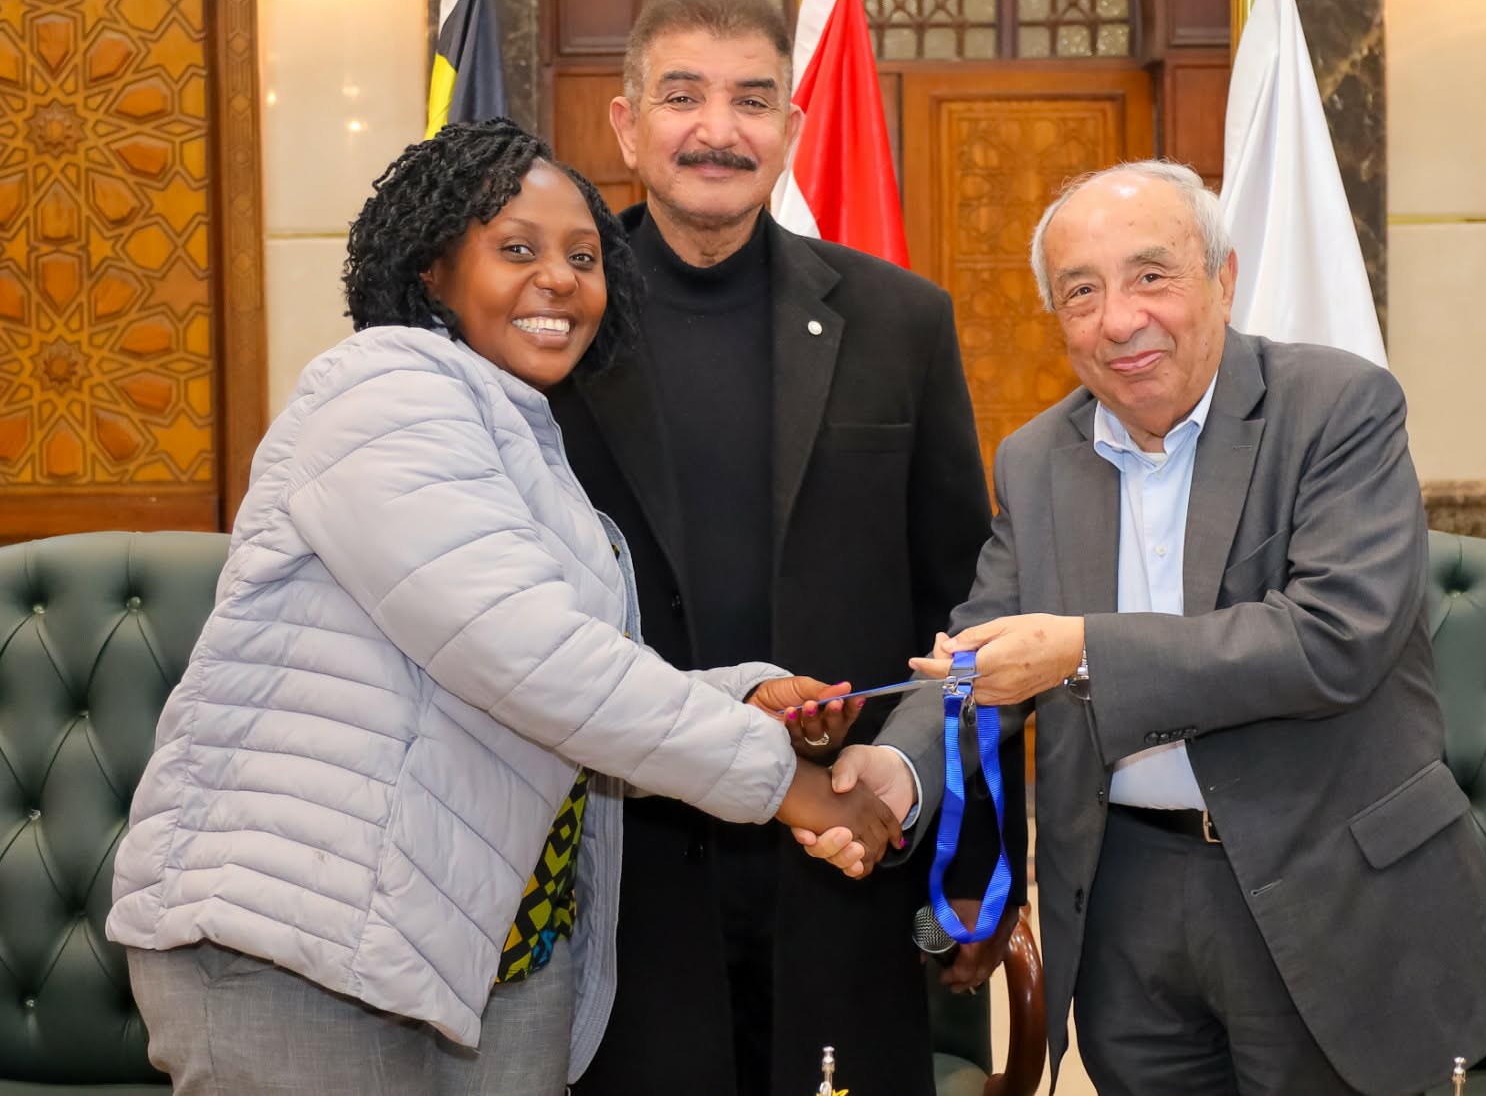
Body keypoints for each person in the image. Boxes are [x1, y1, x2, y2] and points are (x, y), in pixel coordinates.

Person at [103, 119, 904, 1096]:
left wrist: (746, 698)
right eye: (517, 249)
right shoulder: (384, 390)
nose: (560, 278)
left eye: (584, 256)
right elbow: (527, 656)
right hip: (303, 946)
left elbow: (559, 685)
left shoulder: (524, 439)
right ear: (431, 269)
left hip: (498, 954)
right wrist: (789, 784)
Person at [807, 160, 1486, 1096]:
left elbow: (1333, 638)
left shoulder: (1339, 406)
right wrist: (899, 767)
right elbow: (982, 643)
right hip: (1125, 899)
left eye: (1151, 275)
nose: (1119, 319)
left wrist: (1081, 651)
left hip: (1330, 883)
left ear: (1223, 279)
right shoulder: (1036, 459)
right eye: (1081, 292)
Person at [547, 0, 1017, 1096]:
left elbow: (965, 609)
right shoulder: (547, 324)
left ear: (793, 129)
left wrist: (974, 864)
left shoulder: (899, 320)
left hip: (840, 850)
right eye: (682, 97)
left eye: (752, 100)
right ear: (626, 125)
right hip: (621, 863)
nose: (718, 129)